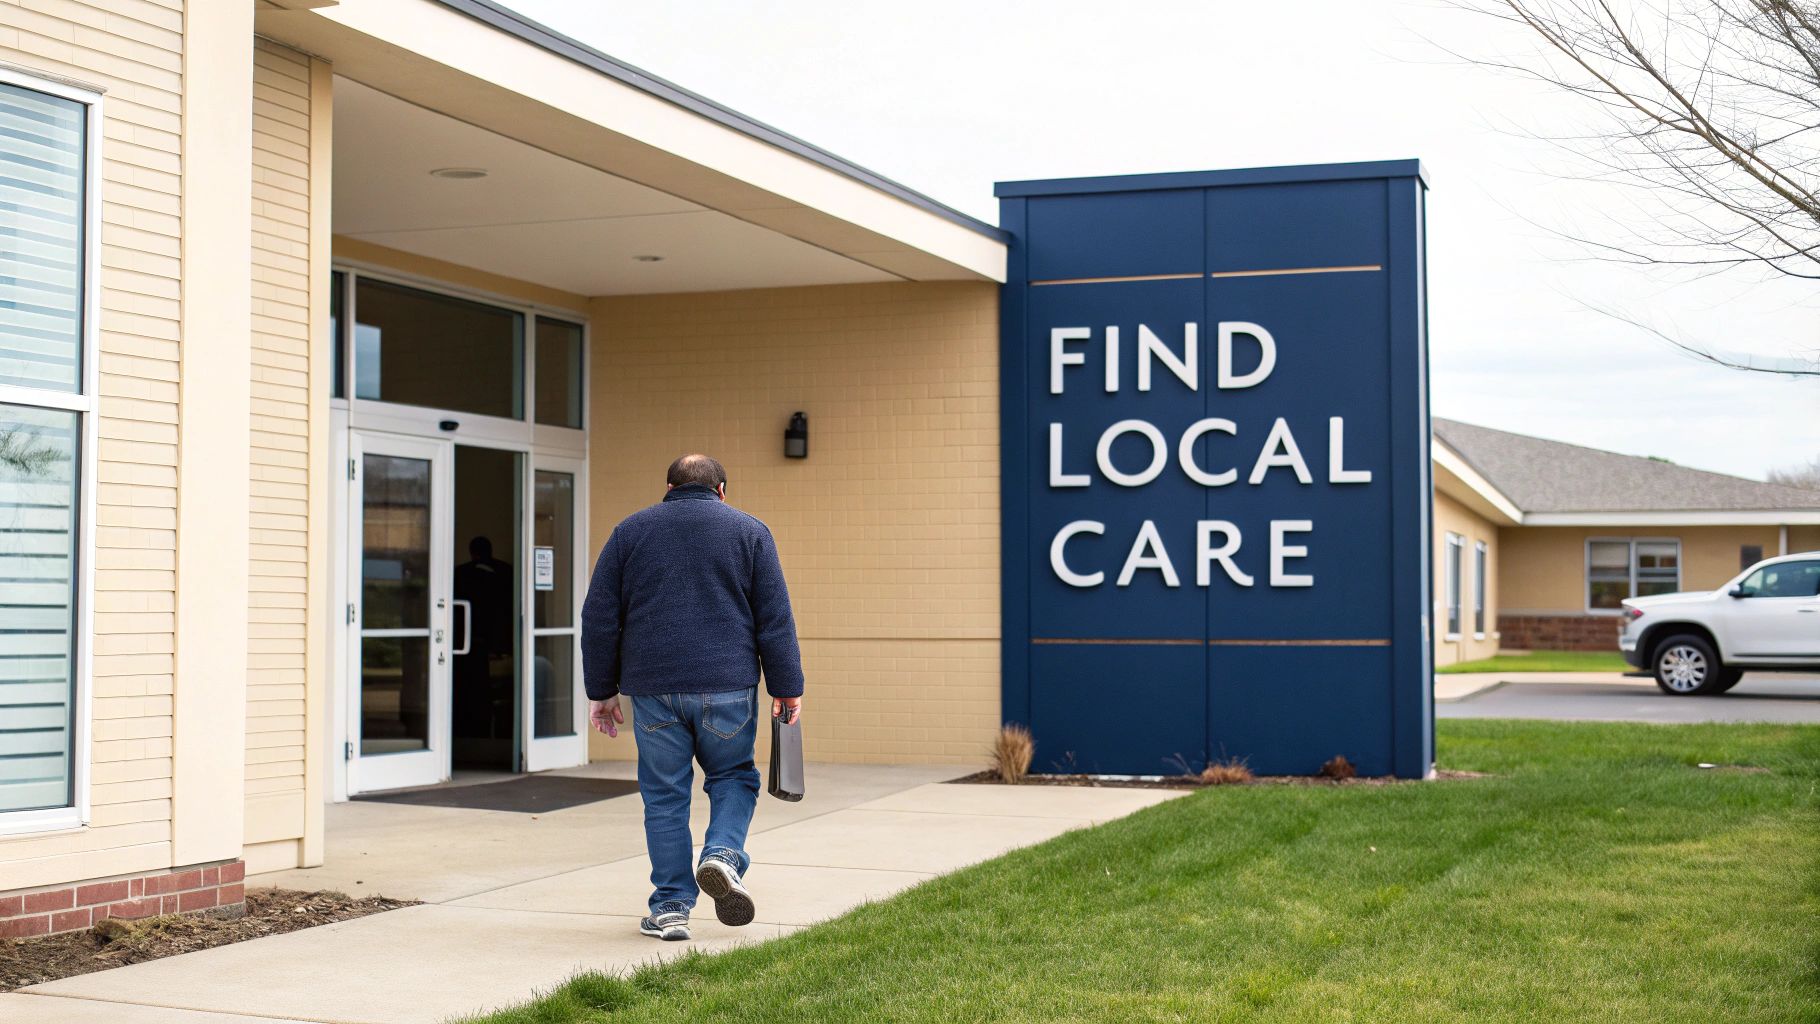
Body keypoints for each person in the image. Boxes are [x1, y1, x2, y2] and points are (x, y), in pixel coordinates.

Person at [581, 454, 804, 942]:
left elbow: (599, 617)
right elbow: (775, 618)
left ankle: (671, 909)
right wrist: (787, 686)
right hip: (728, 686)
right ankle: (722, 854)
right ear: (722, 489)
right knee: (733, 776)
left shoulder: (630, 532)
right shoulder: (749, 532)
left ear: (668, 487)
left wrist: (601, 691)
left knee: (664, 796)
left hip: (653, 689)